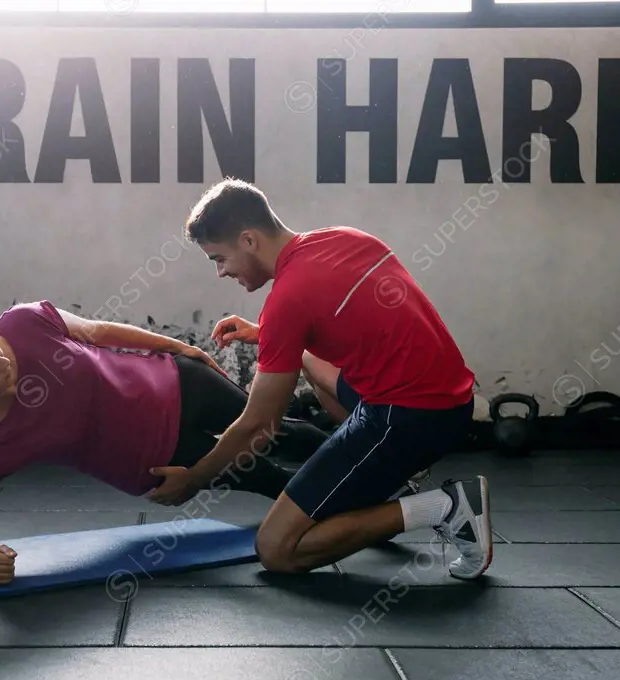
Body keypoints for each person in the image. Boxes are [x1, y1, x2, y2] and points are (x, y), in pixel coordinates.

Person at [145, 178, 491, 580]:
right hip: (451, 400)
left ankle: (447, 507)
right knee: (308, 359)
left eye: (219, 259)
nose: (222, 272)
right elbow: (348, 323)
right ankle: (397, 475)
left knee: (277, 548)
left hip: (407, 418)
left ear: (249, 240)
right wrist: (267, 334)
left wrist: (195, 480)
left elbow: (260, 425)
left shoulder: (288, 300)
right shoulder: (344, 238)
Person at [0, 300, 330, 585]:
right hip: (158, 460)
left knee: (280, 431)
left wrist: (177, 348)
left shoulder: (22, 323)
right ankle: (362, 509)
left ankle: (380, 461)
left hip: (174, 383)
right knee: (270, 479)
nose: (2, 362)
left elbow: (97, 331)